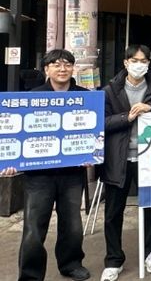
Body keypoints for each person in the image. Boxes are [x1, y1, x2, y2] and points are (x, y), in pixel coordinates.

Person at [0, 49, 90, 281]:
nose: (62, 69)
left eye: (67, 64)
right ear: (46, 69)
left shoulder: (86, 97)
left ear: (73, 68)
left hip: (72, 173)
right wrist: (11, 162)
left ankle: (71, 264)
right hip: (38, 175)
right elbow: (16, 134)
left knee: (72, 224)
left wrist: (92, 154)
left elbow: (94, 134)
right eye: (56, 64)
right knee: (33, 227)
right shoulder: (31, 97)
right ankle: (30, 274)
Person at [100, 45, 151, 281]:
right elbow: (101, 122)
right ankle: (113, 260)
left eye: (143, 61)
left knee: (149, 208)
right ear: (125, 62)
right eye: (134, 60)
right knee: (113, 212)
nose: (139, 64)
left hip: (148, 156)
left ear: (149, 63)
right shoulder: (111, 90)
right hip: (118, 158)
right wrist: (127, 117)